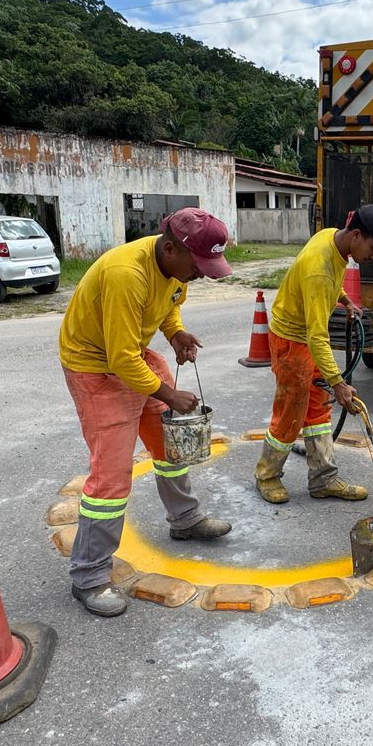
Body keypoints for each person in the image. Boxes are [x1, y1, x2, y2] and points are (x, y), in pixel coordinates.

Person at [58, 208, 235, 617]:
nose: (202, 274)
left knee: (168, 444)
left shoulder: (175, 270)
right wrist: (170, 395)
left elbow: (169, 302)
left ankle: (185, 519)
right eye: (199, 265)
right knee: (111, 475)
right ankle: (89, 576)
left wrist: (175, 332)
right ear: (170, 247)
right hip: (96, 366)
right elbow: (120, 360)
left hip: (130, 355)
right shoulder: (126, 274)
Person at [255, 204, 373, 504]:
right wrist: (339, 383)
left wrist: (345, 300)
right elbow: (316, 334)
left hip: (307, 340)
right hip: (292, 342)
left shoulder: (333, 239)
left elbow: (330, 283)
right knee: (290, 414)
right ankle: (266, 476)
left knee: (318, 411)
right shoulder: (318, 267)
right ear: (357, 234)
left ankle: (324, 479)